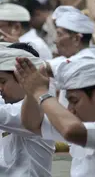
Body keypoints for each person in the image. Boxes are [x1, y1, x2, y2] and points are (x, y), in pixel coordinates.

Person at [0, 43, 54, 177]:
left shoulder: (38, 108)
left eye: (2, 81)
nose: (0, 88)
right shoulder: (9, 106)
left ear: (24, 79)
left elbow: (5, 115)